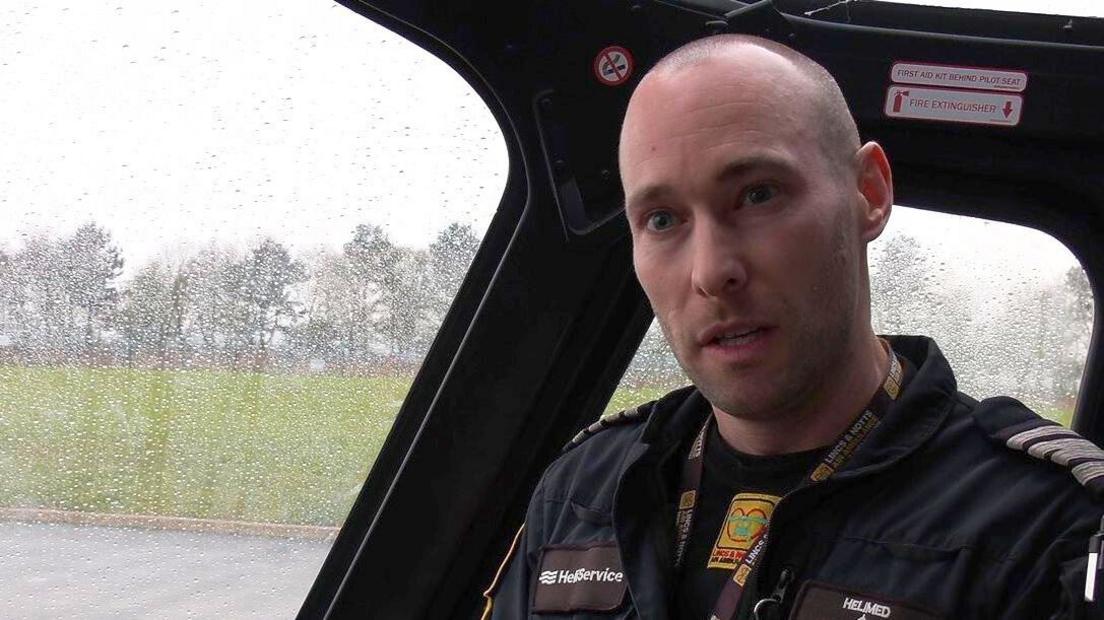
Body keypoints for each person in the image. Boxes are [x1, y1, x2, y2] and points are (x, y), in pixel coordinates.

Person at [481, 34, 1104, 619]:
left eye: (757, 195)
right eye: (663, 220)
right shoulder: (583, 489)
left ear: (869, 192)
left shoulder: (1046, 531)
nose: (711, 272)